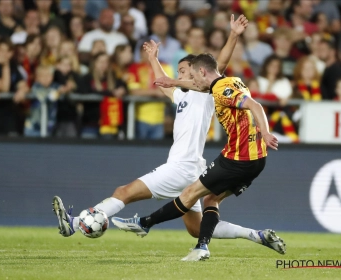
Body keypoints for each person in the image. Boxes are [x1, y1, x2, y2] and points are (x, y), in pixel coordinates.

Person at [53, 15, 283, 256]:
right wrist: (153, 59)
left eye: (184, 71)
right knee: (196, 229)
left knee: (123, 192)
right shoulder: (183, 96)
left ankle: (76, 222)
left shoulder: (205, 92)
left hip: (181, 167)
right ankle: (255, 235)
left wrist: (233, 35)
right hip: (191, 167)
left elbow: (219, 66)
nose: (181, 75)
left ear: (198, 73)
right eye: (179, 71)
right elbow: (165, 85)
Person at [112, 53, 285, 261]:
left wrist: (265, 132)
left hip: (237, 157)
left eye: (193, 76)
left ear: (202, 72)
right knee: (211, 199)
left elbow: (255, 105)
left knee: (190, 193)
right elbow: (200, 86)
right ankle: (203, 246)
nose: (192, 81)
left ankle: (145, 223)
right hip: (258, 159)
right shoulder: (233, 81)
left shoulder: (221, 90)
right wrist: (173, 79)